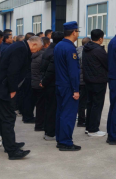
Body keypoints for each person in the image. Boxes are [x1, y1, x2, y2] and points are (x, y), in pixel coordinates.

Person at [0, 36, 43, 159]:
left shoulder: (19, 46)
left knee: (6, 117)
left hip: (0, 86)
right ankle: (12, 150)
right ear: (34, 44)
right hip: (4, 88)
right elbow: (13, 71)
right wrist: (12, 89)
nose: (36, 52)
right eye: (38, 49)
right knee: (8, 118)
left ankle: (9, 144)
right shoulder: (21, 49)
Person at [53, 22, 81, 151]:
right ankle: (66, 142)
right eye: (77, 31)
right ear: (74, 32)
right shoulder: (70, 48)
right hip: (68, 86)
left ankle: (60, 139)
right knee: (68, 114)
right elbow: (73, 72)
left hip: (60, 84)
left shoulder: (59, 45)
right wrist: (76, 89)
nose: (78, 34)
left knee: (61, 113)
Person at [82, 29, 108, 137]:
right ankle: (93, 129)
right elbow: (107, 64)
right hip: (98, 81)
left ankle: (88, 127)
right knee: (97, 105)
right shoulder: (99, 50)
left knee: (90, 104)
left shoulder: (86, 48)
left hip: (88, 80)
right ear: (100, 39)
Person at [39, 31, 63, 141]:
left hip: (48, 83)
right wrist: (44, 81)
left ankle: (48, 131)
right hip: (52, 84)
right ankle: (50, 132)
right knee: (52, 109)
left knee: (49, 108)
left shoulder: (49, 49)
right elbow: (51, 71)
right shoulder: (55, 51)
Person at [31, 37, 50, 132]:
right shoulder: (43, 56)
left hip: (34, 82)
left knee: (39, 105)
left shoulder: (34, 55)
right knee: (42, 106)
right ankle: (40, 125)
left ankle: (39, 124)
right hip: (40, 83)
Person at [77, 37, 91, 127]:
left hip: (77, 79)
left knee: (79, 101)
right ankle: (81, 120)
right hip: (83, 80)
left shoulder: (77, 50)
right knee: (82, 102)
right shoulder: (85, 52)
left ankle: (80, 118)